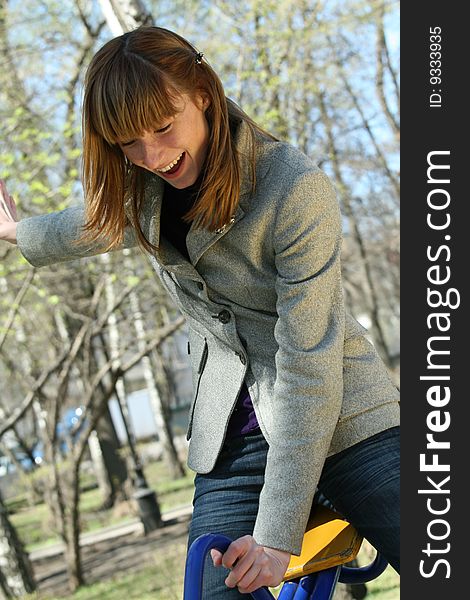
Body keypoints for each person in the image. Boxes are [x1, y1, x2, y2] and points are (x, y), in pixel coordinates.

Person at [0, 26, 400, 597]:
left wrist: (276, 533)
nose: (152, 155)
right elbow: (92, 223)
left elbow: (309, 367)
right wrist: (18, 232)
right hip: (235, 440)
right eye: (129, 143)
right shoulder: (144, 189)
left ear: (204, 95)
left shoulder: (293, 188)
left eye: (164, 127)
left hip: (344, 418)